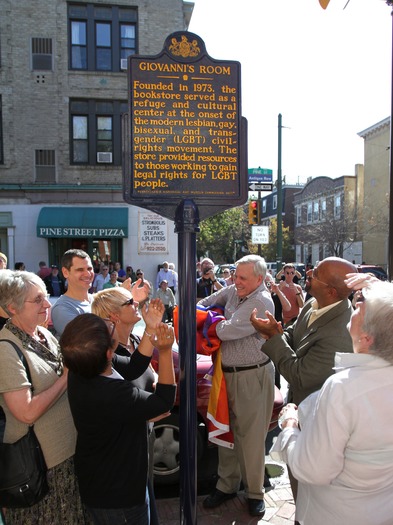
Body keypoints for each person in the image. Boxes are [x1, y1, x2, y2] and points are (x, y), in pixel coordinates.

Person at [270, 279, 393, 525]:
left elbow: (312, 469)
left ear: (367, 337)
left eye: (360, 307)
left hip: (336, 514)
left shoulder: (343, 389)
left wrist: (289, 427)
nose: (354, 305)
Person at [250, 256, 357, 500]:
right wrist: (277, 333)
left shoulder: (340, 333)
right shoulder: (313, 303)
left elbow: (298, 375)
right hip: (300, 412)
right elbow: (292, 334)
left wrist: (272, 338)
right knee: (298, 485)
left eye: (316, 273)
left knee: (310, 496)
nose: (309, 273)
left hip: (315, 424)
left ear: (331, 291)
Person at [60, 314, 176, 525]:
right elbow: (165, 401)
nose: (111, 322)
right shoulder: (113, 392)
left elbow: (133, 367)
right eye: (110, 329)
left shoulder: (82, 365)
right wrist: (166, 351)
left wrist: (149, 330)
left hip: (104, 482)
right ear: (108, 352)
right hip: (118, 496)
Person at [0, 270, 87, 524]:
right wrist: (66, 378)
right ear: (12, 307)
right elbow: (26, 412)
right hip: (42, 473)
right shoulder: (6, 349)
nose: (47, 304)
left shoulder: (44, 334)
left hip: (68, 462)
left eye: (46, 297)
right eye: (37, 300)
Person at [198, 255, 275, 518]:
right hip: (225, 374)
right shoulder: (234, 289)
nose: (235, 282)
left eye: (242, 278)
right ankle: (226, 486)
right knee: (226, 433)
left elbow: (225, 331)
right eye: (234, 275)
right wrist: (207, 315)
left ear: (259, 279)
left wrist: (207, 321)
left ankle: (255, 493)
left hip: (251, 375)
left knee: (251, 439)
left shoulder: (262, 301)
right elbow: (204, 304)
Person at [51, 249, 149, 337]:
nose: (87, 274)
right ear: (65, 272)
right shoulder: (62, 309)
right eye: (80, 270)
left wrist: (128, 299)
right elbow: (88, 341)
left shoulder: (96, 299)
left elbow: (123, 333)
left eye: (89, 269)